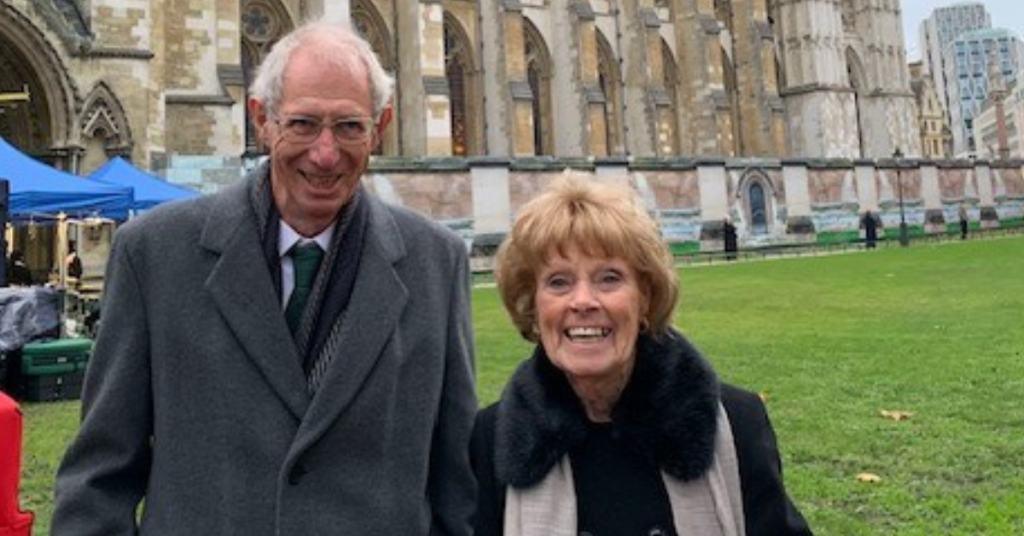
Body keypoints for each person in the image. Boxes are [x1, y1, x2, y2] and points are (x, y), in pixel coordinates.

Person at [52, 19, 477, 535]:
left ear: (380, 127)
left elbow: (458, 485)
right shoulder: (157, 255)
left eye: (349, 127)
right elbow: (99, 476)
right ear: (262, 119)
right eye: (303, 124)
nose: (325, 153)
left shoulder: (436, 262)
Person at [471, 176, 812, 536]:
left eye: (609, 278)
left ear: (646, 298)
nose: (583, 301)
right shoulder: (491, 439)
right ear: (534, 306)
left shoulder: (735, 423)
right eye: (558, 282)